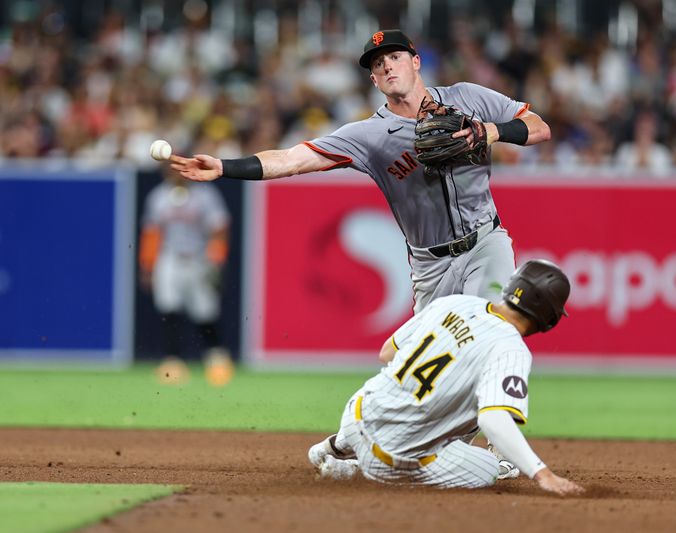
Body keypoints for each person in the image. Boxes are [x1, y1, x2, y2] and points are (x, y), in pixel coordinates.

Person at [170, 29, 551, 314]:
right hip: (430, 264)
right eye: (377, 63)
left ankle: (487, 415)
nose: (386, 64)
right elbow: (292, 159)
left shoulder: (467, 97)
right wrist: (224, 166)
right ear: (373, 79)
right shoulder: (369, 135)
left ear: (416, 62)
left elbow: (538, 126)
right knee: (418, 372)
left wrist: (492, 131)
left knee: (488, 330)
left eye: (395, 56)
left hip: (486, 242)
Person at [306, 259, 584, 494]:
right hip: (390, 457)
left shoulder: (456, 303)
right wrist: (542, 473)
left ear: (511, 287)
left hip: (355, 413)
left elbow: (388, 352)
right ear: (549, 318)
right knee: (488, 467)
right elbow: (493, 418)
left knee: (398, 389)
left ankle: (335, 445)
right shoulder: (511, 348)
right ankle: (355, 472)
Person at [139, 167, 233, 385]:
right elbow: (152, 232)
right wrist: (147, 265)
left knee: (205, 312)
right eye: (172, 171)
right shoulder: (159, 196)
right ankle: (173, 362)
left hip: (199, 258)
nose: (176, 175)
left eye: (180, 171)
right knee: (168, 308)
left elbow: (219, 228)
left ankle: (216, 360)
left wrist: (217, 260)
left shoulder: (205, 195)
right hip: (169, 257)